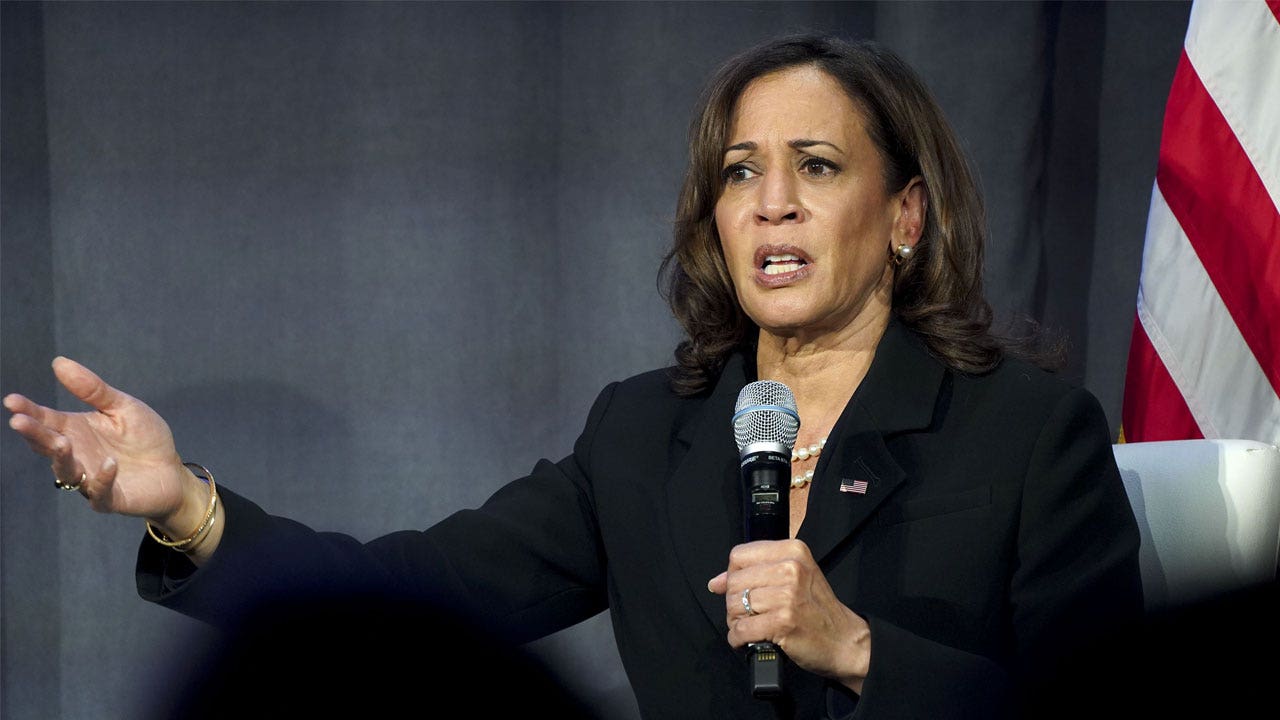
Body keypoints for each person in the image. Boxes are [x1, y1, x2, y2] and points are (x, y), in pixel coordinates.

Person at [4, 34, 1142, 718]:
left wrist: (856, 648)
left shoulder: (1027, 435)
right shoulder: (649, 434)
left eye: (817, 166)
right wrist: (187, 508)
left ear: (902, 215)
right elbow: (413, 600)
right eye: (740, 171)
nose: (772, 201)